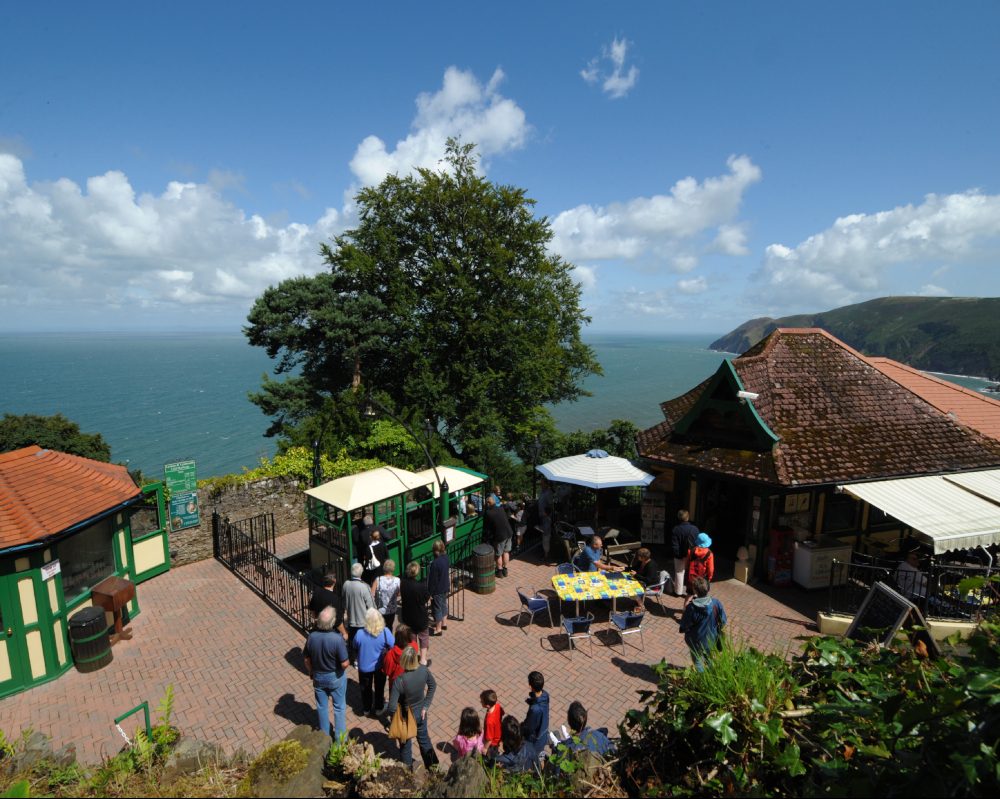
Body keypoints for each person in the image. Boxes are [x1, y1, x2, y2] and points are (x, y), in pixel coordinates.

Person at [385, 646, 437, 771]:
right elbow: (433, 685)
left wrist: (393, 715)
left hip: (405, 718)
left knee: (405, 746)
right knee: (424, 742)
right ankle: (434, 769)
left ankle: (407, 773)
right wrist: (425, 705)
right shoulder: (424, 671)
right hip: (421, 714)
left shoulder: (399, 681)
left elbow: (391, 707)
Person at [302, 606, 350, 741]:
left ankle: (325, 738)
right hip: (335, 677)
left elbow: (306, 659)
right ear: (332, 622)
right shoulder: (337, 639)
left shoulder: (311, 637)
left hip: (318, 676)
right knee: (339, 708)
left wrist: (311, 671)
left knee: (322, 707)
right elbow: (345, 663)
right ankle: (340, 741)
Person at [678, 576, 727, 671]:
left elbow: (684, 626)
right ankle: (712, 674)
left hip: (695, 640)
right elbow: (723, 621)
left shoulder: (691, 608)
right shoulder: (716, 603)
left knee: (697, 661)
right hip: (711, 638)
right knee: (709, 657)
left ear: (695, 591)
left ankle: (702, 678)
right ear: (708, 589)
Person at [353, 608, 394, 717]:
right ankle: (379, 708)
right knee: (379, 688)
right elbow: (393, 645)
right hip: (380, 666)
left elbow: (354, 645)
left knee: (365, 689)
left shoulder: (360, 633)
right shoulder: (385, 632)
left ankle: (366, 709)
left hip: (364, 668)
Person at [378, 623, 419, 712]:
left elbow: (387, 671)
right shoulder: (414, 646)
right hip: (411, 681)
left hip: (396, 684)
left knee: (395, 705)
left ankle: (396, 723)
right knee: (408, 704)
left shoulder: (391, 654)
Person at [343, 562, 376, 663]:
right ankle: (362, 659)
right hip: (363, 621)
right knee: (363, 642)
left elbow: (344, 601)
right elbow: (371, 606)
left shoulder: (346, 584)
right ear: (361, 573)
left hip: (351, 620)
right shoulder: (364, 587)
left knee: (352, 641)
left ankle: (355, 659)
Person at [400, 560, 432, 665]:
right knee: (423, 637)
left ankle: (412, 659)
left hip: (408, 617)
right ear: (417, 572)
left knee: (412, 639)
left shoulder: (403, 583)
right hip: (420, 617)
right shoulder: (421, 586)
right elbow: (427, 598)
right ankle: (423, 660)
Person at [483, 495, 514, 578]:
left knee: (498, 554)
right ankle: (505, 569)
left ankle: (499, 571)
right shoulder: (500, 508)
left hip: (500, 536)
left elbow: (487, 527)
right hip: (509, 532)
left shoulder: (488, 513)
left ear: (488, 504)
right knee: (506, 551)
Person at [308, 573, 347, 639]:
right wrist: (344, 633)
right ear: (334, 581)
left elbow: (311, 608)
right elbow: (338, 621)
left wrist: (316, 620)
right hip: (330, 630)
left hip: (318, 627)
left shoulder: (317, 591)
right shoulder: (335, 599)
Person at [671, 510, 699, 598]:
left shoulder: (676, 529)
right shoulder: (695, 529)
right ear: (688, 517)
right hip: (692, 555)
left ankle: (678, 592)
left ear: (679, 517)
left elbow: (675, 545)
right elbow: (697, 543)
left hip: (680, 555)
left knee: (679, 573)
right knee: (693, 573)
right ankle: (694, 592)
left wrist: (679, 555)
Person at [522, 671, 549, 754]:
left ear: (531, 686)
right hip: (543, 732)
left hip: (535, 740)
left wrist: (521, 729)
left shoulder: (535, 710)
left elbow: (529, 728)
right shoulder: (545, 695)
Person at [684, 533, 715, 606]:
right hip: (702, 579)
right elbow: (711, 569)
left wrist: (687, 573)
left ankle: (684, 611)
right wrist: (709, 578)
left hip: (691, 578)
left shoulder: (691, 551)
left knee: (689, 595)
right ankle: (699, 612)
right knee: (702, 597)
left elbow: (686, 564)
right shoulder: (709, 554)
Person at [427, 540, 450, 636]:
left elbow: (433, 581)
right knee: (444, 605)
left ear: (436, 551)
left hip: (437, 590)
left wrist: (430, 593)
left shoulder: (435, 563)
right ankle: (444, 624)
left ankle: (438, 629)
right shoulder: (446, 558)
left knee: (437, 609)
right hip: (445, 586)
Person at [372, 558, 401, 632]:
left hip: (380, 609)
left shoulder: (378, 579)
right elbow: (399, 594)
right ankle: (388, 640)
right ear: (393, 568)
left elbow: (372, 594)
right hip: (392, 609)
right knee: (389, 626)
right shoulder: (397, 580)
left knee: (380, 628)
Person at [481, 689, 504, 754]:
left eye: (482, 701)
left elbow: (489, 739)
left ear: (487, 705)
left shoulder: (489, 721)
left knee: (491, 755)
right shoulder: (498, 706)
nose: (480, 702)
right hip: (498, 734)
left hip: (493, 743)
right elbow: (502, 713)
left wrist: (485, 748)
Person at [538, 477, 554, 563]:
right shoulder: (542, 492)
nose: (540, 485)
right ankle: (545, 553)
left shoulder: (548, 492)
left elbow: (551, 506)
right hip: (542, 517)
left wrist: (546, 514)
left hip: (546, 518)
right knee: (543, 535)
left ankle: (546, 556)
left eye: (542, 484)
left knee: (546, 536)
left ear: (546, 484)